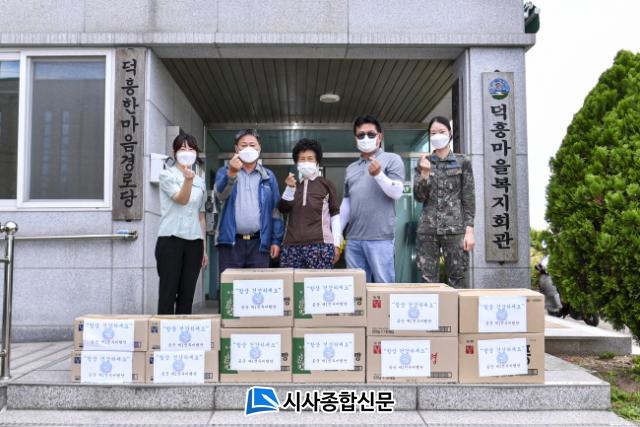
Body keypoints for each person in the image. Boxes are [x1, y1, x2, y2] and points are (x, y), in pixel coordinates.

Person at [340, 115, 405, 283]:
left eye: (371, 134)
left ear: (380, 136)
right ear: (355, 139)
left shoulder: (392, 159)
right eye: (361, 135)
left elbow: (397, 192)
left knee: (384, 289)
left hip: (380, 239)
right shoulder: (351, 168)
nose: (366, 138)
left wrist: (378, 175)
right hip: (353, 239)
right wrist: (337, 234)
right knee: (357, 291)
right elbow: (346, 203)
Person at [414, 116, 475, 288]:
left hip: (455, 230)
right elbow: (419, 197)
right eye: (433, 133)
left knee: (458, 280)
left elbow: (468, 198)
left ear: (450, 133)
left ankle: (457, 308)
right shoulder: (423, 162)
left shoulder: (463, 162)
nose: (437, 136)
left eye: (441, 132)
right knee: (428, 282)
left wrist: (469, 231)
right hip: (428, 230)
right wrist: (425, 173)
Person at [214, 129, 284, 273]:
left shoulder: (268, 176)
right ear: (236, 149)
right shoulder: (224, 171)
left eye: (252, 145)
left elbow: (276, 211)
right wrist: (231, 173)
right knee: (230, 286)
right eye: (243, 145)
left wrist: (276, 240)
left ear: (259, 148)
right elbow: (220, 195)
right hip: (231, 243)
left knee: (258, 286)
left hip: (260, 244)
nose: (248, 148)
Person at [155, 133, 208, 314]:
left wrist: (204, 248)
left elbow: (201, 216)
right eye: (183, 148)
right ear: (174, 152)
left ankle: (182, 331)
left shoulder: (200, 181)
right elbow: (181, 199)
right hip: (170, 239)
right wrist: (188, 180)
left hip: (194, 242)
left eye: (191, 149)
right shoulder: (166, 175)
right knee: (168, 293)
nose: (187, 152)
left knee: (187, 295)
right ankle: (163, 330)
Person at [278, 138, 342, 269]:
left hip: (320, 246)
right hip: (291, 247)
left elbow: (335, 215)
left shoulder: (326, 184)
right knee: (292, 282)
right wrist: (289, 188)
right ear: (296, 163)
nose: (306, 162)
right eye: (302, 159)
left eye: (310, 158)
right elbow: (282, 208)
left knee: (318, 282)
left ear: (317, 161)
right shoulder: (293, 185)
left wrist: (336, 244)